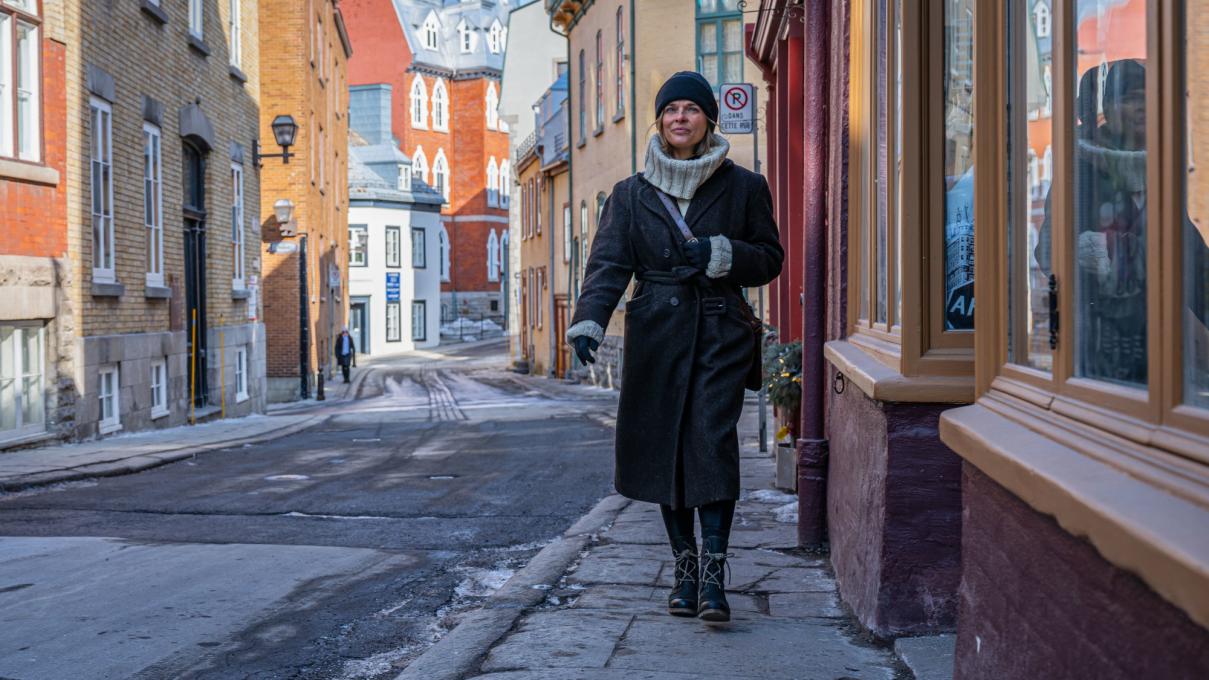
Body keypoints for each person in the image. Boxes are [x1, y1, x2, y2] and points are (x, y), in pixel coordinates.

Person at [565, 71, 783, 624]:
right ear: (659, 120)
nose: (679, 117)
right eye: (670, 110)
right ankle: (684, 571)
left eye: (691, 108)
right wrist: (589, 321)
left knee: (710, 442)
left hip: (719, 331)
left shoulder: (744, 186)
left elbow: (770, 257)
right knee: (665, 448)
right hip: (656, 333)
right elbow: (609, 265)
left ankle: (714, 579)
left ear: (709, 118)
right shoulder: (631, 194)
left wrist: (721, 252)